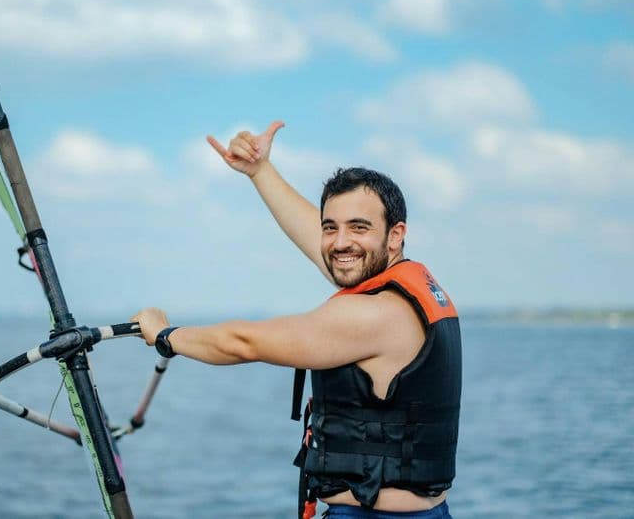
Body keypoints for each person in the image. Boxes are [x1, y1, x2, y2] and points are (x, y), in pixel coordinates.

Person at [132, 121, 461, 519]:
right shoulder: (414, 289)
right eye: (330, 228)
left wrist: (164, 334)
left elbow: (243, 342)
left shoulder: (374, 315)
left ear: (395, 235)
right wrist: (260, 171)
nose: (340, 242)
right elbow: (332, 245)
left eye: (359, 227)